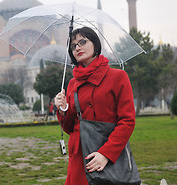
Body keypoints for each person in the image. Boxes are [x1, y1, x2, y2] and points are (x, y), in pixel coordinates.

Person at [54, 27, 136, 185]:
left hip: (108, 154)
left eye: (82, 42)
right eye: (73, 46)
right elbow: (70, 128)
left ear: (95, 44)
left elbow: (127, 121)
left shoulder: (118, 77)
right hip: (79, 157)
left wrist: (106, 154)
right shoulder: (72, 84)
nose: (77, 47)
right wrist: (63, 110)